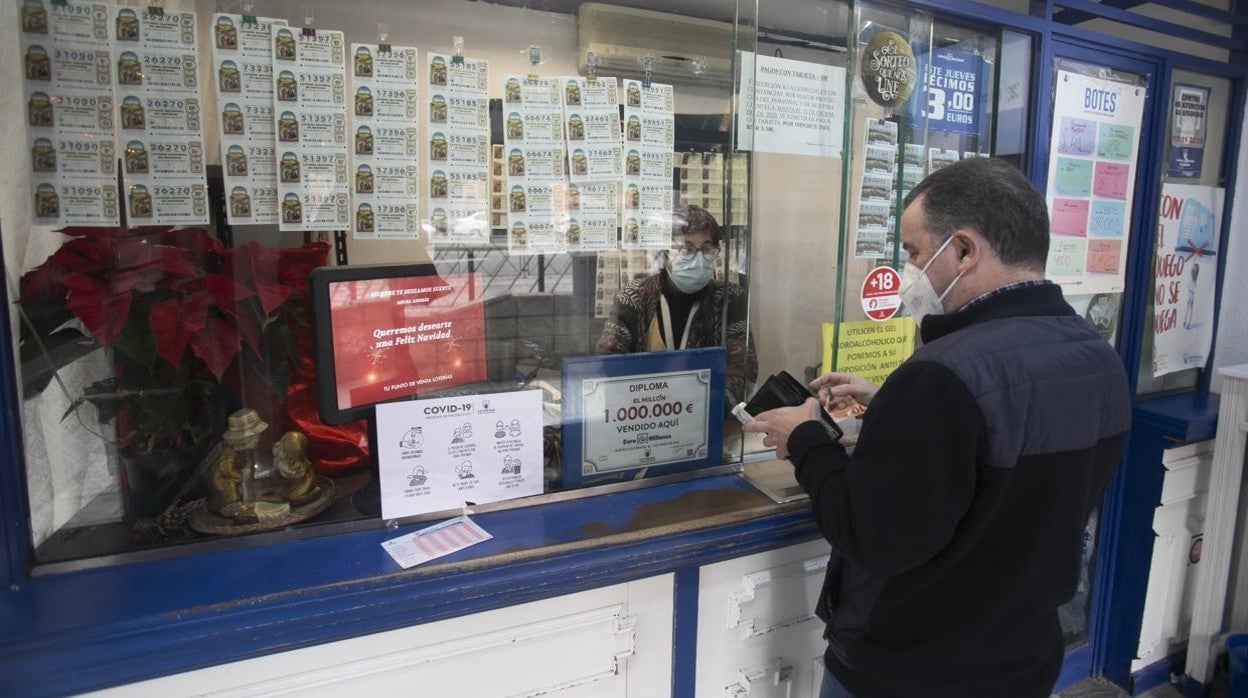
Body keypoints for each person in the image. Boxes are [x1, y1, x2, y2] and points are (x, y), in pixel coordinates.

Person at [743, 158, 1131, 698]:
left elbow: (872, 536)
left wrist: (806, 439)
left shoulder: (943, 375)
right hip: (1023, 661)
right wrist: (890, 407)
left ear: (965, 250)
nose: (909, 271)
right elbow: (1006, 457)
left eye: (915, 252)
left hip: (911, 671)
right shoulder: (1098, 359)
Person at [597, 205, 758, 403]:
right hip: (644, 416)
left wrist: (698, 409)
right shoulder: (633, 297)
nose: (698, 258)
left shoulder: (731, 299)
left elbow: (744, 370)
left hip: (710, 418)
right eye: (687, 249)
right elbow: (609, 363)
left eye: (707, 248)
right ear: (664, 254)